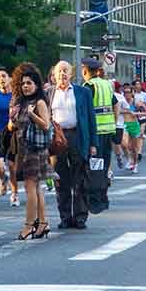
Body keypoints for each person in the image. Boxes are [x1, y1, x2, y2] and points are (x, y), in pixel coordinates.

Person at [47, 61, 97, 230]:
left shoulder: (83, 92)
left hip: (77, 135)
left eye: (65, 71)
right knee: (60, 180)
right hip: (57, 139)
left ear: (71, 74)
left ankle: (80, 217)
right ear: (54, 75)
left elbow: (91, 119)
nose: (62, 74)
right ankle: (65, 217)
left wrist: (93, 143)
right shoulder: (49, 93)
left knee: (80, 178)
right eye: (59, 71)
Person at [10, 63, 54, 240]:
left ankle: (29, 225)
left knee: (30, 188)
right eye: (23, 83)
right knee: (36, 189)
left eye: (29, 83)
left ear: (36, 85)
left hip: (36, 151)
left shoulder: (40, 102)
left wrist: (32, 115)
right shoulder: (22, 103)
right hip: (25, 150)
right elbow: (13, 124)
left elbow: (46, 125)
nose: (26, 86)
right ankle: (43, 223)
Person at [82, 58, 117, 207]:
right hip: (108, 130)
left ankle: (95, 199)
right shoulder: (107, 85)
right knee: (105, 165)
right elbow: (116, 104)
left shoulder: (88, 86)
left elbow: (84, 110)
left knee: (95, 167)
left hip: (95, 133)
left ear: (85, 70)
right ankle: (104, 197)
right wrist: (114, 122)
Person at [0, 67, 19, 205]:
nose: (1, 79)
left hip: (12, 133)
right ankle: (3, 179)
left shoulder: (15, 95)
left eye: (4, 76)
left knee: (12, 166)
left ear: (10, 78)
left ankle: (14, 194)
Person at [122, 85, 146, 174]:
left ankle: (135, 164)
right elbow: (117, 110)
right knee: (125, 144)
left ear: (132, 93)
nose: (127, 94)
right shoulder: (122, 101)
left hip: (134, 125)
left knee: (134, 148)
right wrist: (127, 111)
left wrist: (136, 113)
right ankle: (130, 160)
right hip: (125, 124)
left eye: (129, 92)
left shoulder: (136, 102)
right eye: (125, 92)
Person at [112, 81, 128, 170]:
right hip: (106, 125)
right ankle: (109, 171)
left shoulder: (120, 97)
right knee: (108, 148)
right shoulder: (105, 95)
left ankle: (119, 156)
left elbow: (127, 109)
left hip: (118, 124)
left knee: (117, 144)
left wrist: (117, 111)